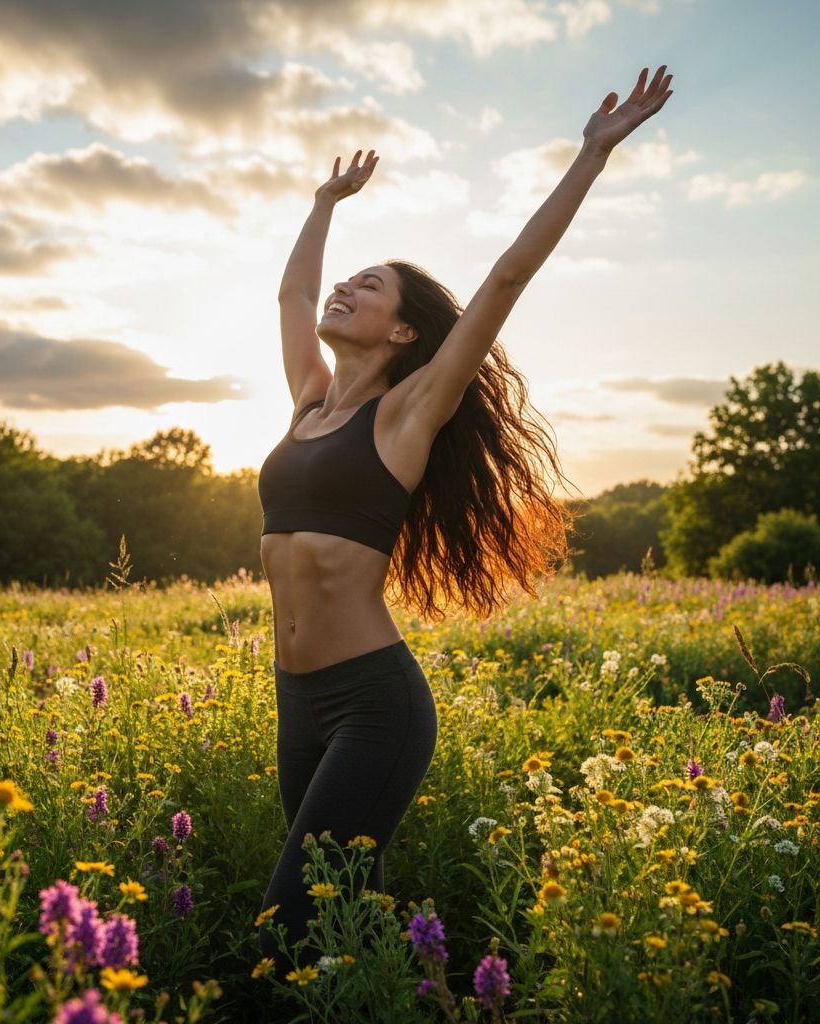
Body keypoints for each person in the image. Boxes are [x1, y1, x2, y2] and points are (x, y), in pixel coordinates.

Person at [256, 66, 674, 971]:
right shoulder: (309, 403)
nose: (342, 289)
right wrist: (323, 205)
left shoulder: (407, 415)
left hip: (374, 705)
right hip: (296, 699)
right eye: (347, 280)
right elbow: (291, 297)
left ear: (404, 332)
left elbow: (507, 277)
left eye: (367, 286)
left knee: (289, 931)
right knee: (338, 935)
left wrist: (591, 155)